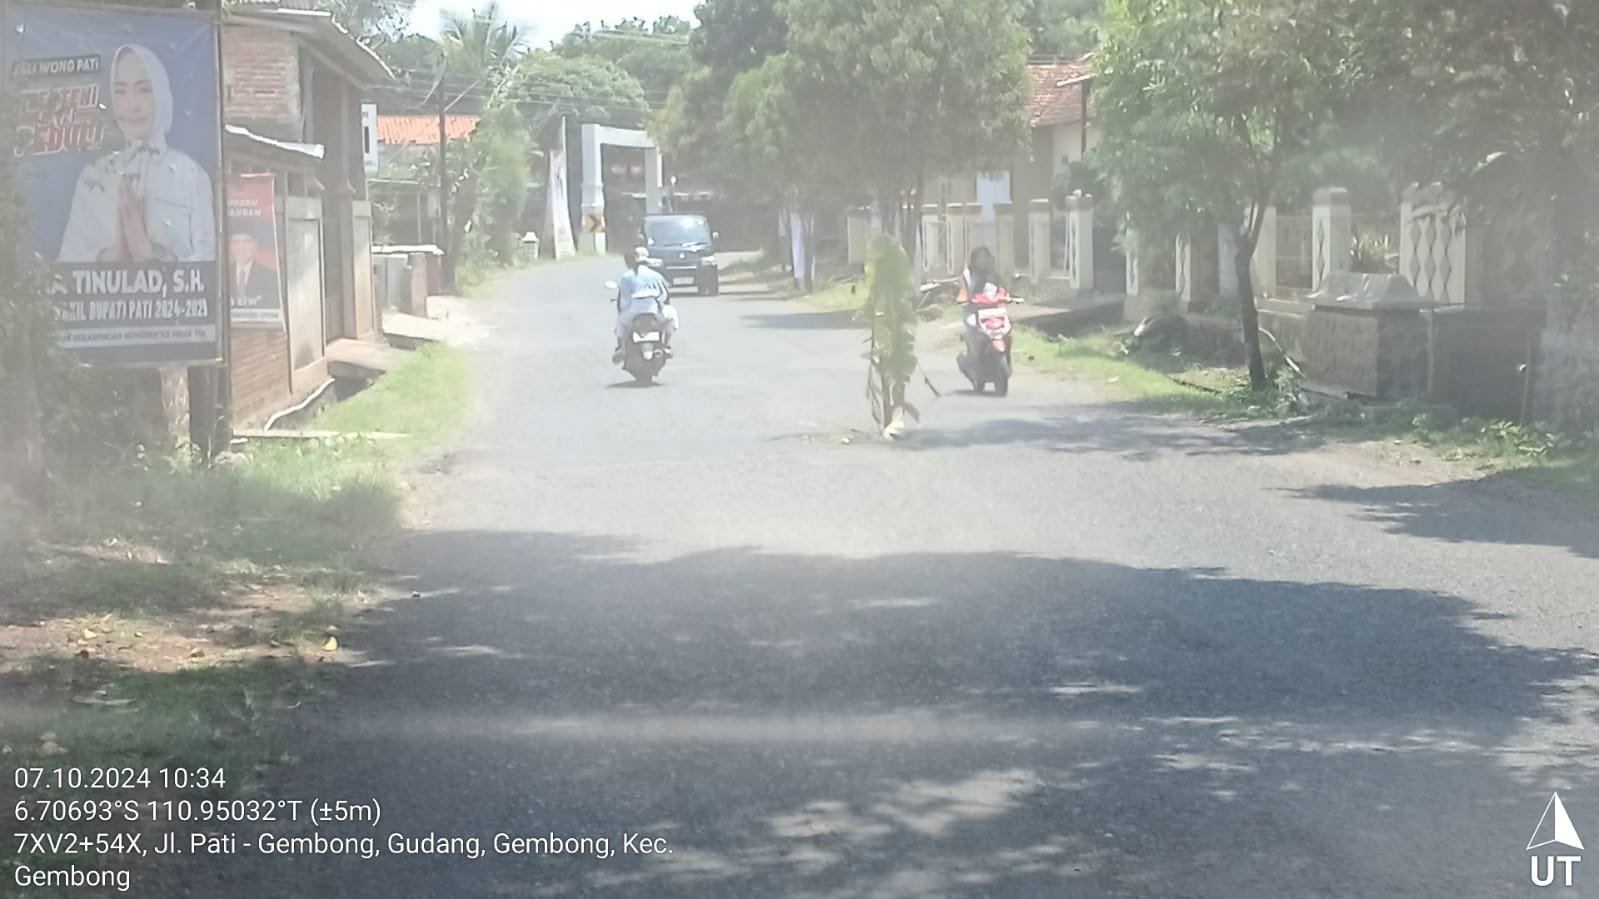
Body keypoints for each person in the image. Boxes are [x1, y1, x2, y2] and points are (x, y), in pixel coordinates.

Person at [58, 43, 216, 264]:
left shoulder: (190, 175)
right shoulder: (93, 176)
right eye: (120, 92)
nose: (132, 105)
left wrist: (154, 255)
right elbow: (66, 264)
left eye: (144, 90)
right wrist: (109, 257)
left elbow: (208, 263)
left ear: (161, 93)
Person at [612, 246, 678, 363]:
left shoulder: (627, 277)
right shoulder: (657, 276)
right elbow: (664, 296)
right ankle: (666, 345)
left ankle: (621, 348)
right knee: (671, 315)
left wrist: (624, 309)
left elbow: (624, 302)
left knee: (620, 321)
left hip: (633, 313)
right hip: (655, 312)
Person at [228, 220, 280, 308]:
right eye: (236, 242)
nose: (241, 247)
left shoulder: (270, 277)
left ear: (255, 244)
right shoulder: (224, 274)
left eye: (246, 241)